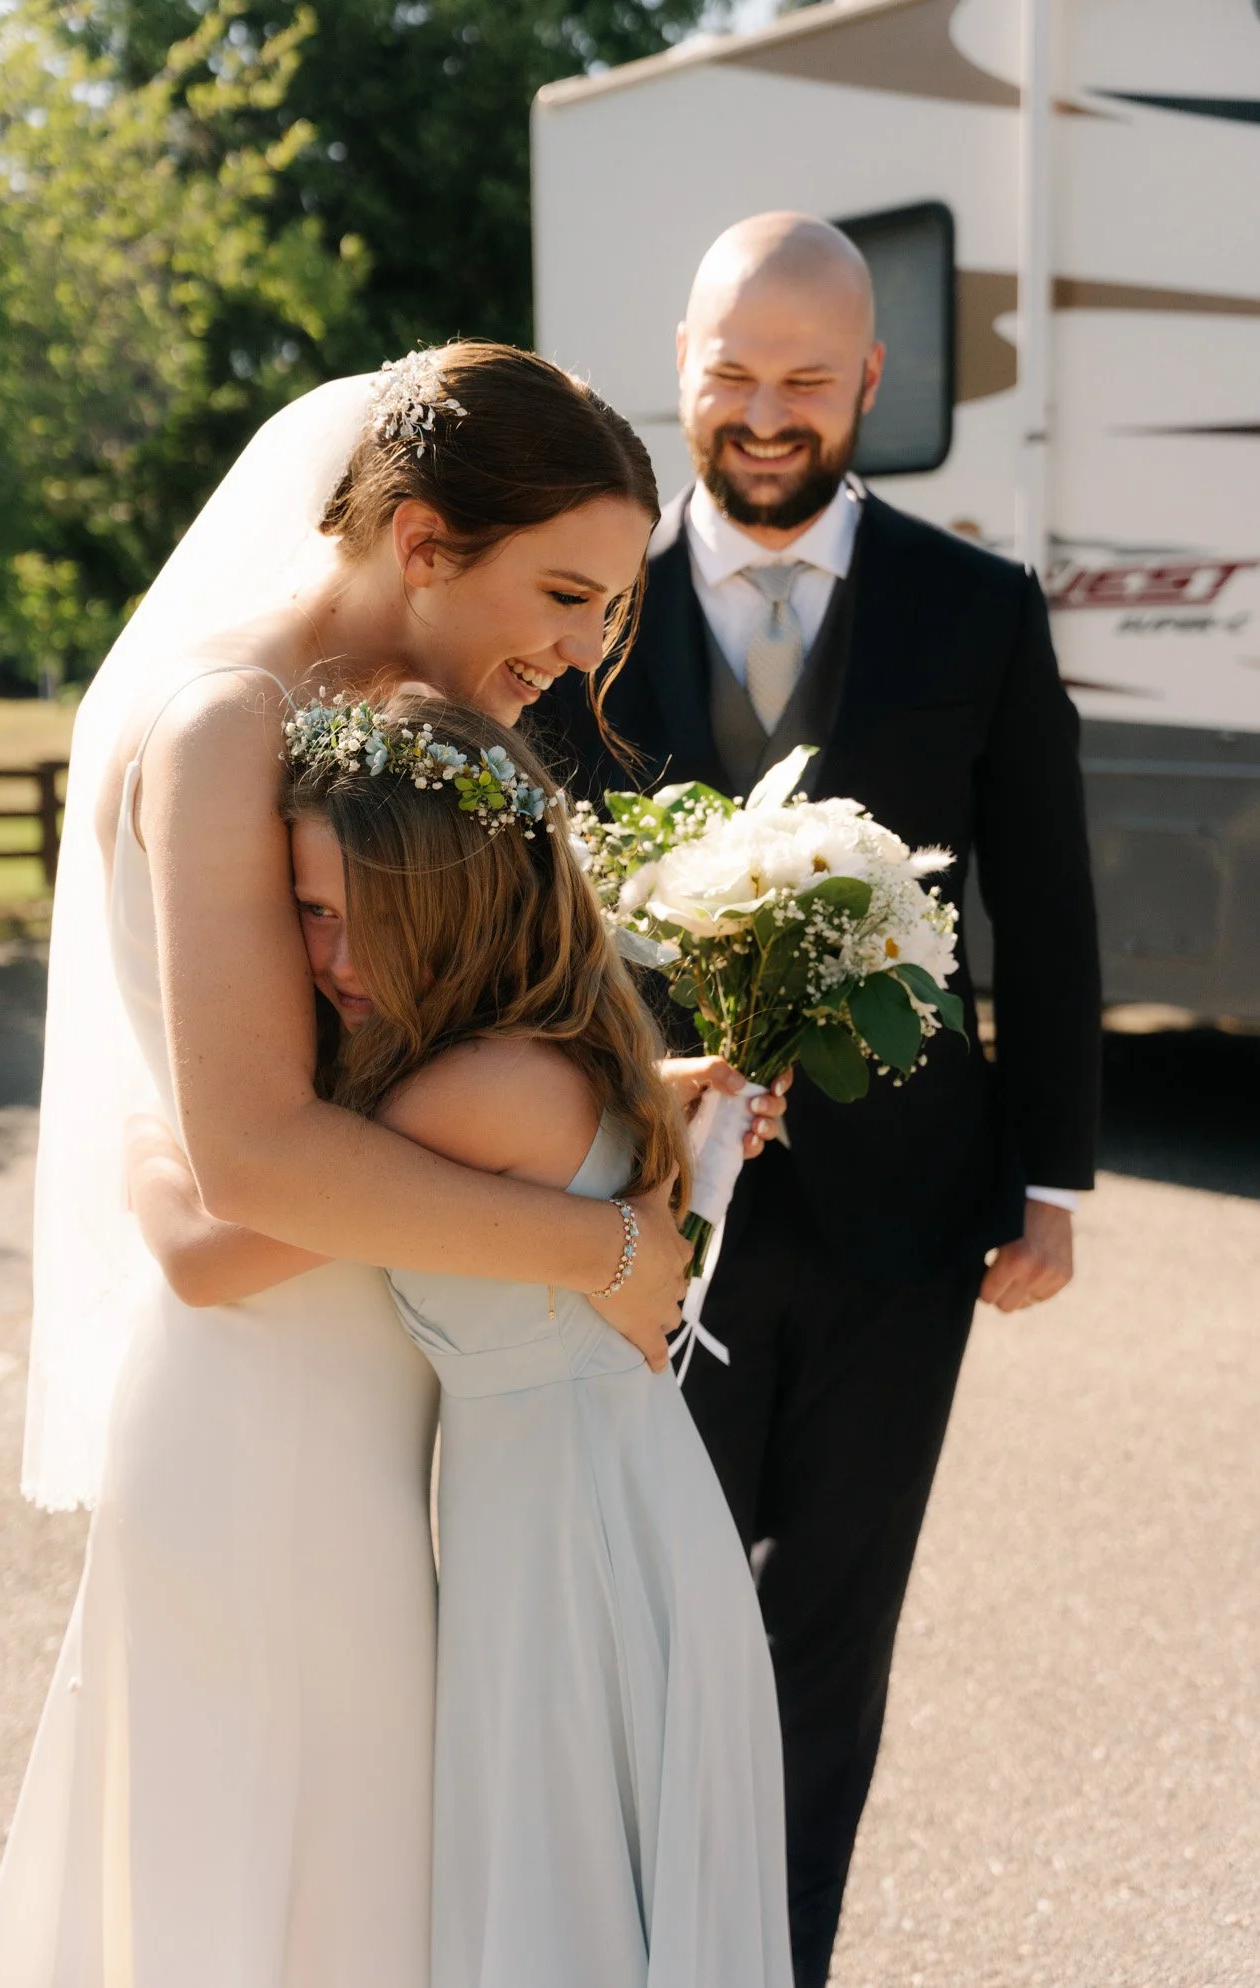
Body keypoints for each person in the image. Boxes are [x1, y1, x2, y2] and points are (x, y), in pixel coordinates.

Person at [0, 344, 786, 1987]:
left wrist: (616, 1104)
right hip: (270, 1416)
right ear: (420, 540)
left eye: (610, 614)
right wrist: (604, 1254)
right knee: (279, 1895)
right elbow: (259, 1160)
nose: (579, 654)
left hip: (406, 1387)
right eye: (562, 595)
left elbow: (410, 1058)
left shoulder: (389, 725)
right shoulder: (226, 724)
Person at [548, 216, 1103, 1985]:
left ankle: (774, 1960)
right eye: (733, 378)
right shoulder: (585, 600)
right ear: (685, 376)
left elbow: (1047, 893)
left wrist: (1056, 1178)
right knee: (648, 1622)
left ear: (870, 380)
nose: (767, 415)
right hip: (633, 1218)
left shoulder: (977, 607)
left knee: (828, 1638)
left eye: (806, 380)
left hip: (900, 1227)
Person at [128, 695, 795, 1988]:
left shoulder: (458, 1091)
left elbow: (207, 1257)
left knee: (556, 1907)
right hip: (604, 1515)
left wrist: (146, 1150)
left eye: (357, 910)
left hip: (568, 1554)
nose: (325, 953)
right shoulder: (571, 1050)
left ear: (461, 898)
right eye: (306, 909)